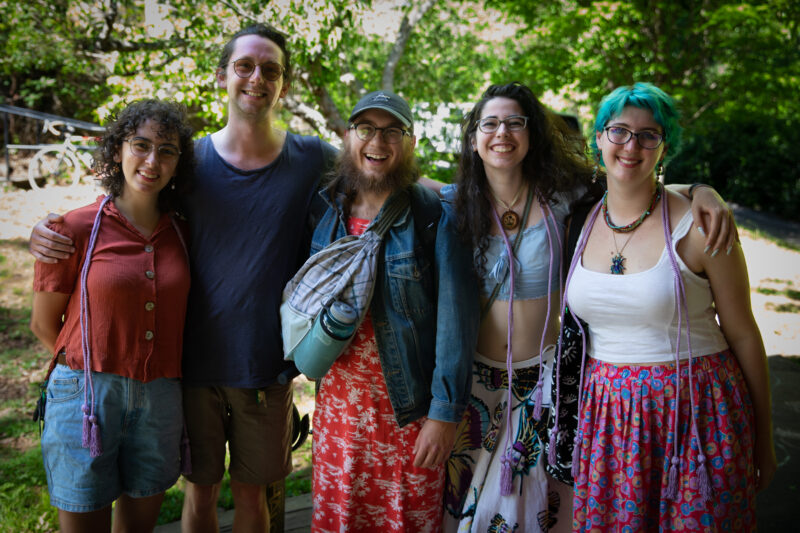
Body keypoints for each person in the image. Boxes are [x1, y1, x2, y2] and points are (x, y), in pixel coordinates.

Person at [28, 23, 338, 533]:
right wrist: (49, 229)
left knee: (251, 500)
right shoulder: (194, 164)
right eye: (244, 65)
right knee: (199, 499)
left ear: (284, 85)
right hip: (179, 373)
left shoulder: (310, 159)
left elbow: (373, 177)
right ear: (222, 76)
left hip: (260, 368)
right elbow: (125, 215)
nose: (256, 78)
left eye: (271, 70)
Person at [439, 82, 738, 532]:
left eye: (515, 122)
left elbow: (632, 178)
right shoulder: (449, 205)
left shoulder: (569, 197)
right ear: (473, 136)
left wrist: (701, 189)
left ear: (533, 133)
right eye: (490, 123)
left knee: (531, 512)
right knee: (466, 514)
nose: (502, 132)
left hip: (543, 383)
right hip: (473, 386)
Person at [560, 82, 776, 530]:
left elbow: (743, 333)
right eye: (618, 131)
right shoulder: (578, 217)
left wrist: (764, 439)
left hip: (698, 415)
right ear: (598, 139)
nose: (631, 145)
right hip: (609, 422)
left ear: (664, 146)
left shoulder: (701, 226)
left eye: (648, 135)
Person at [309, 90, 479, 531]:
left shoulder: (434, 214)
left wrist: (444, 416)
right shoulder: (327, 206)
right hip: (339, 410)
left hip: (408, 414)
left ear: (411, 142)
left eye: (392, 131)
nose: (377, 142)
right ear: (349, 137)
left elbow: (455, 324)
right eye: (366, 129)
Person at [29, 99, 194, 532]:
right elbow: (43, 325)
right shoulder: (71, 229)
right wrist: (94, 370)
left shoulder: (184, 232)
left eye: (167, 150)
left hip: (160, 398)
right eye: (140, 145)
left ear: (179, 162)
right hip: (86, 398)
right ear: (118, 149)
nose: (152, 160)